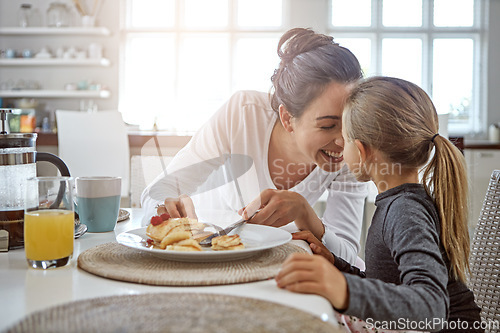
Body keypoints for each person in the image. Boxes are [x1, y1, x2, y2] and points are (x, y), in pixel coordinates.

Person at [141, 28, 369, 264]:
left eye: (351, 122)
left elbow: (349, 257)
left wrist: (304, 213)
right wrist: (164, 209)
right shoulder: (242, 114)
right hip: (202, 251)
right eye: (327, 126)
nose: (344, 140)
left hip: (271, 260)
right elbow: (155, 193)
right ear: (288, 118)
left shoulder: (356, 147)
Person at [275, 76, 483, 333]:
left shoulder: (405, 211)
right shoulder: (399, 202)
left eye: (345, 138)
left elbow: (432, 307)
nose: (339, 145)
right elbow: (388, 284)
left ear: (362, 151)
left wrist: (343, 289)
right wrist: (336, 265)